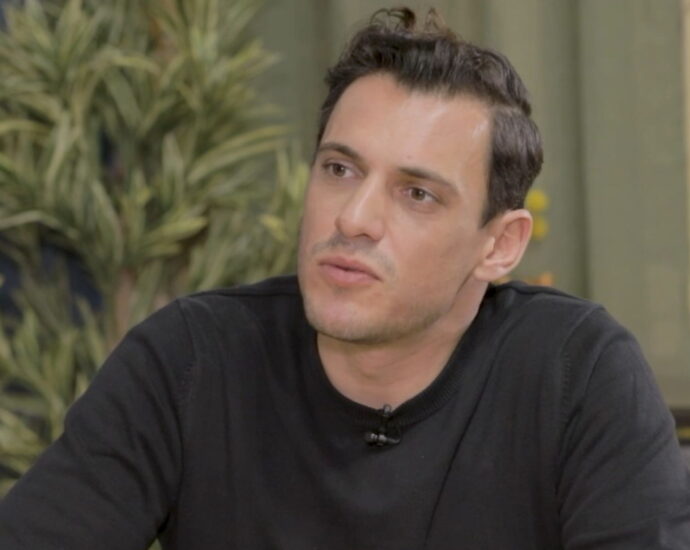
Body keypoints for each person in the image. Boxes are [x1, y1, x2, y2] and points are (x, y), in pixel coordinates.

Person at [1, 7, 689, 549]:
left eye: (417, 193)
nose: (354, 217)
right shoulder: (191, 359)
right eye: (339, 169)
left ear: (499, 245)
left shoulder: (577, 375)